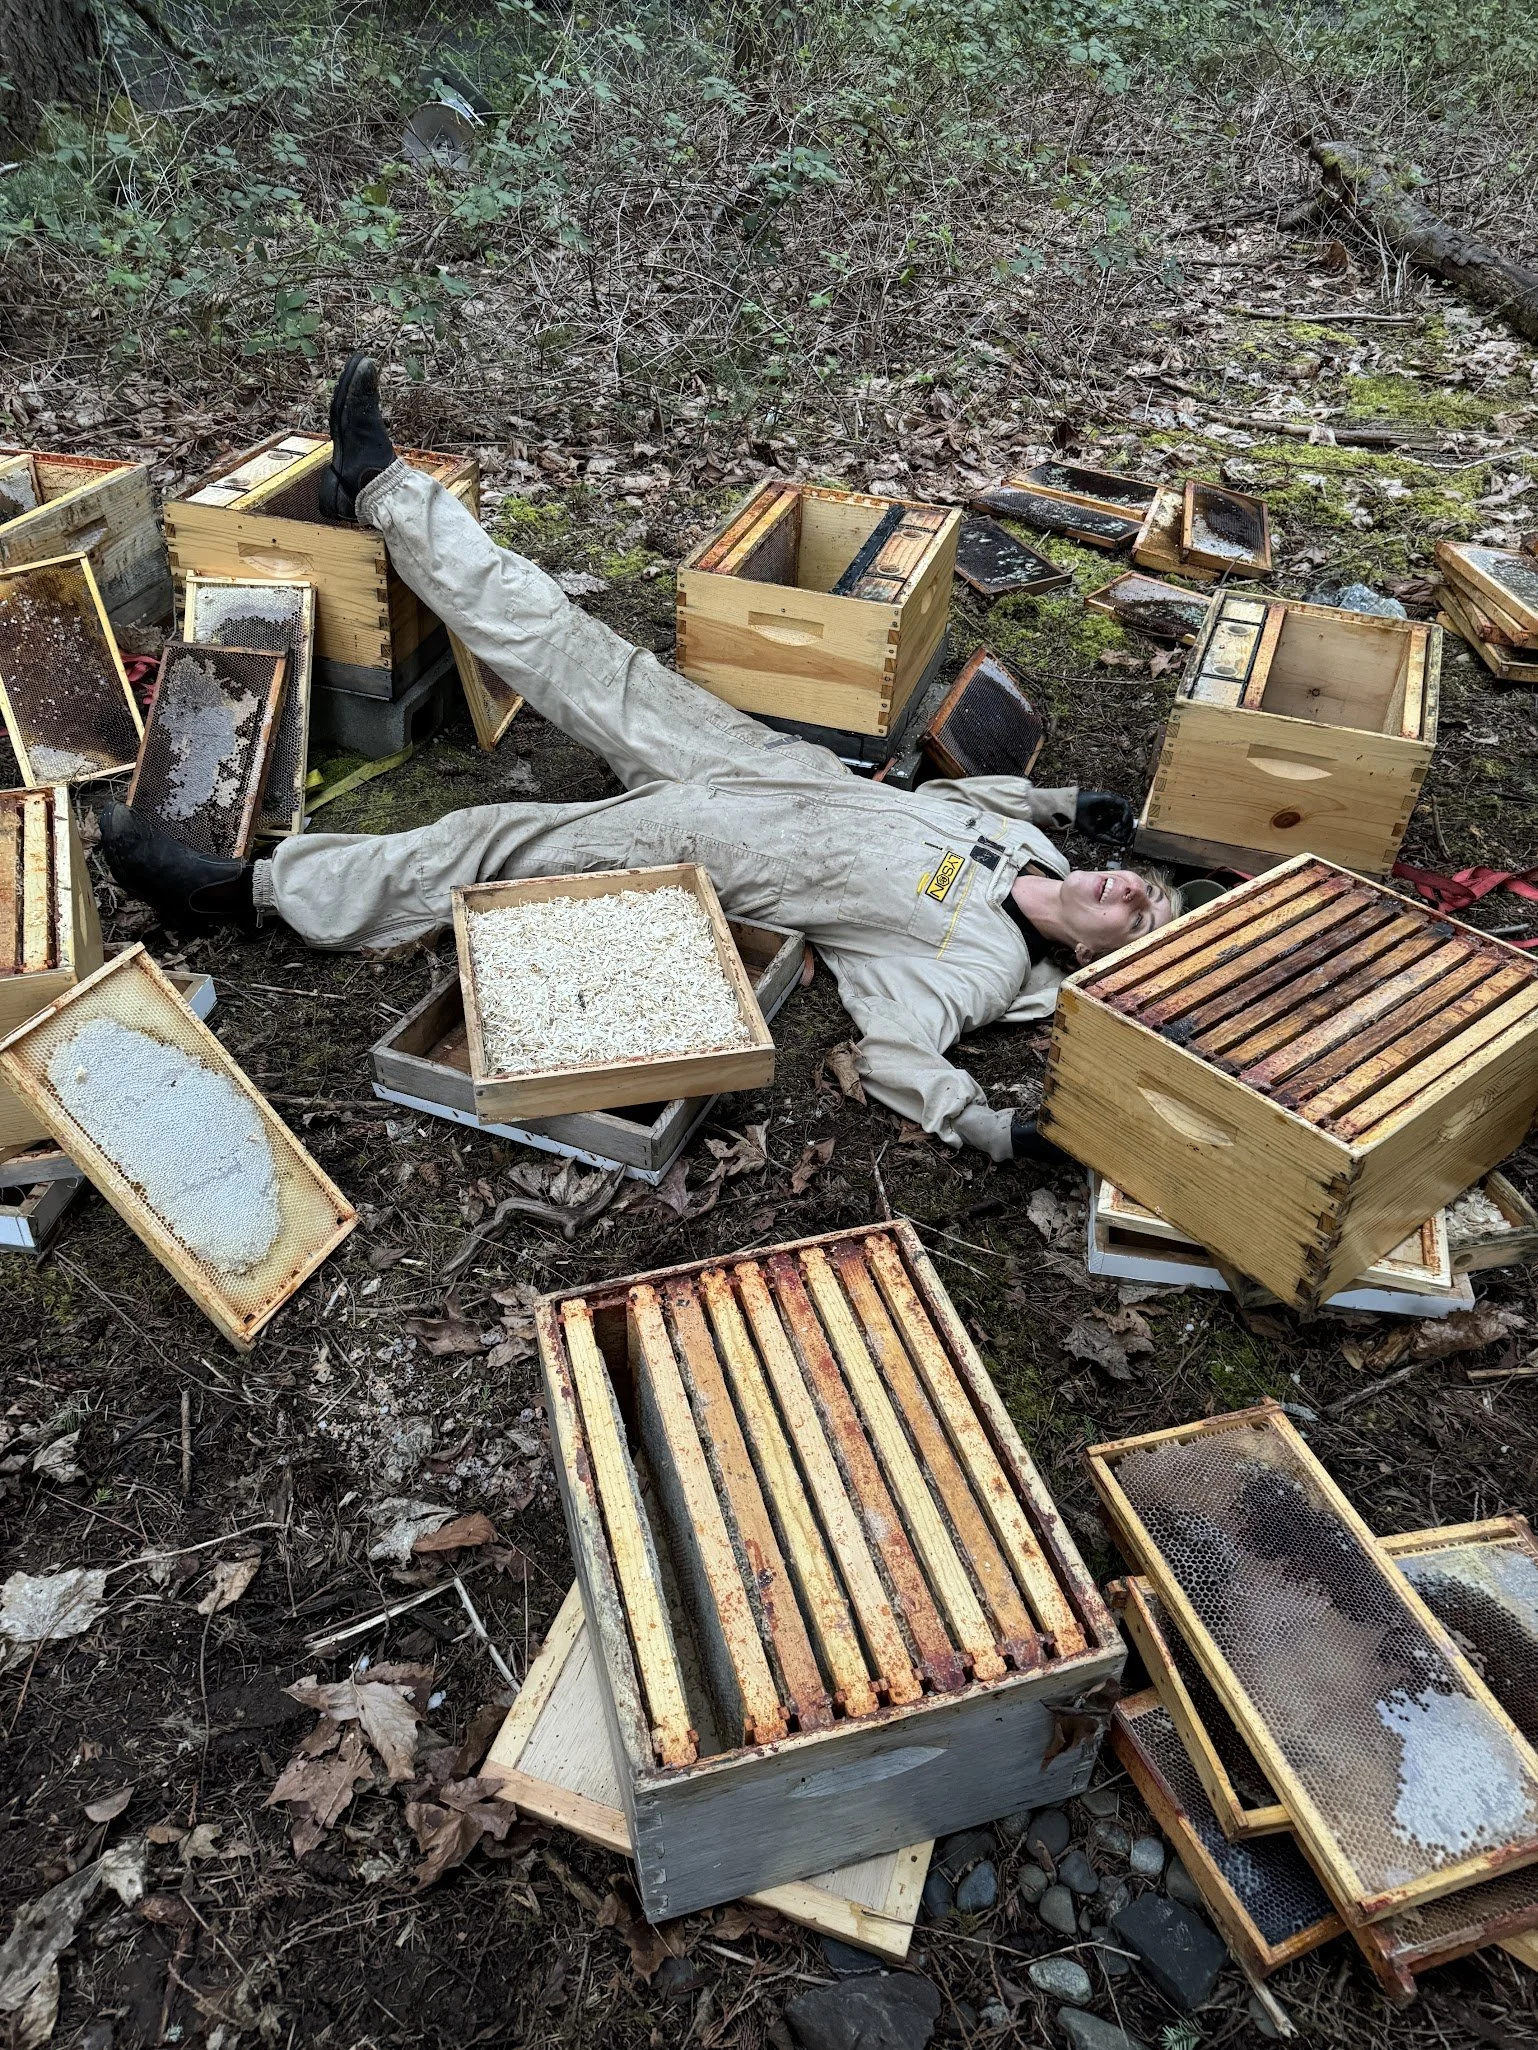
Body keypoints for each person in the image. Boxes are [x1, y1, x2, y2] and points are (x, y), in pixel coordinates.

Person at [102, 355, 1180, 1164]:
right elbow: (970, 794)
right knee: (568, 644)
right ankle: (380, 488)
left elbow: (904, 1052)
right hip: (752, 758)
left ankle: (244, 892)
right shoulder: (1029, 847)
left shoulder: (978, 970)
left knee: (485, 844)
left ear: (1097, 962)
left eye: (1135, 917)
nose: (1127, 889)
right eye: (1141, 885)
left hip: (700, 843)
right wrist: (1062, 798)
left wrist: (983, 1127)